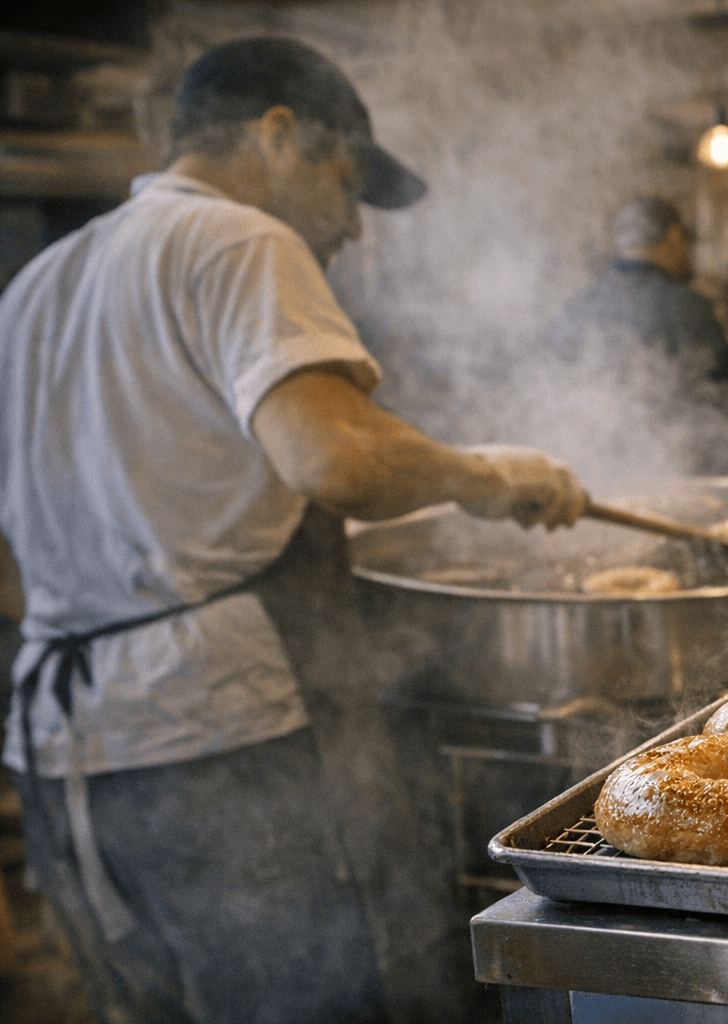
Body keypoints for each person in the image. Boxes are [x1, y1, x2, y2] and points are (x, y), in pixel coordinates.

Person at [0, 36, 587, 1024]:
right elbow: (337, 459)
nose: (351, 226)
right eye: (347, 183)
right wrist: (495, 477)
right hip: (219, 743)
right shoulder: (237, 238)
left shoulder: (36, 287)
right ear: (279, 135)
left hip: (63, 752)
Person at [547, 195, 728, 468]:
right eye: (688, 243)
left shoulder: (574, 307)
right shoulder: (687, 306)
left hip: (597, 467)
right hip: (675, 469)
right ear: (675, 236)